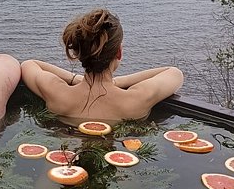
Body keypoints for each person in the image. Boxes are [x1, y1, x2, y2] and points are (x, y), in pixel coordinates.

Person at [21, 8, 184, 121]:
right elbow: (173, 72)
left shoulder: (57, 93)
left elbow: (30, 64)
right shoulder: (137, 98)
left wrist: (76, 79)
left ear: (78, 53)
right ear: (119, 52)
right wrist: (116, 82)